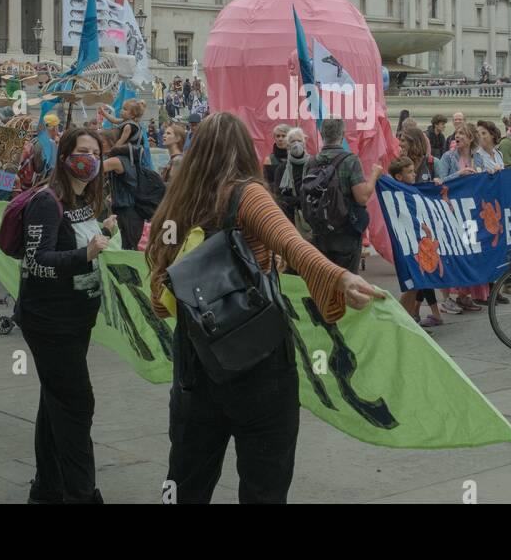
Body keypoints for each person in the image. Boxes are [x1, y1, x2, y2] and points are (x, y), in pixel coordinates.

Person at [145, 112, 382, 503]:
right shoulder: (246, 193)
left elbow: (160, 290)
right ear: (243, 150)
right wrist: (340, 278)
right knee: (264, 484)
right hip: (257, 358)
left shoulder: (177, 199)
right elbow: (292, 243)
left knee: (185, 479)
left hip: (195, 359)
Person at [18, 127, 116, 504]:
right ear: (64, 156)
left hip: (76, 321)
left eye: (95, 152)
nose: (89, 159)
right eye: (82, 151)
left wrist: (102, 231)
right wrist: (84, 255)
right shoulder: (48, 200)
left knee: (55, 401)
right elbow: (36, 260)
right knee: (77, 405)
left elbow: (74, 239)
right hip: (50, 321)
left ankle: (47, 488)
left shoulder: (83, 201)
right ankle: (82, 493)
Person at [302, 118, 381, 273]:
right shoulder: (350, 161)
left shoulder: (310, 163)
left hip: (320, 231)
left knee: (324, 279)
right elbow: (362, 197)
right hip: (345, 231)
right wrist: (374, 175)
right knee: (347, 281)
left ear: (321, 133)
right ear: (343, 134)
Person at [389, 156, 443, 329]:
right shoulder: (396, 192)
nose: (414, 175)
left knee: (419, 281)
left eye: (413, 171)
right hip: (409, 245)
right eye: (410, 172)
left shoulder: (414, 189)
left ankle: (408, 318)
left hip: (419, 242)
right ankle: (398, 319)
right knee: (413, 283)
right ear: (399, 176)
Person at [263, 124, 290, 196]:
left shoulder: (295, 158)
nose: (280, 139)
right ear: (274, 138)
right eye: (278, 136)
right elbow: (267, 184)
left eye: (284, 136)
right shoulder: (269, 160)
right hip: (276, 197)